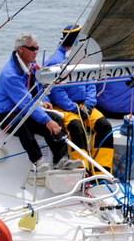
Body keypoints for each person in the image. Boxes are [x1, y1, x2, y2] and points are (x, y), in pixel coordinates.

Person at [0, 33, 73, 168]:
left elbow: (38, 87)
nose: (36, 52)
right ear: (20, 49)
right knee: (23, 125)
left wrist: (43, 102)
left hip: (25, 110)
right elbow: (26, 104)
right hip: (7, 114)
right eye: (32, 49)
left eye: (37, 48)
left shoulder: (30, 65)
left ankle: (61, 159)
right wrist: (47, 121)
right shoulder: (11, 74)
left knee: (56, 119)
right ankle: (38, 161)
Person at [45, 25, 114, 173]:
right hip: (63, 107)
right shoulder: (56, 62)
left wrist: (88, 105)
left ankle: (101, 171)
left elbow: (91, 83)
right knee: (76, 127)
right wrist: (73, 108)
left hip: (84, 105)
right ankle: (82, 170)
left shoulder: (83, 58)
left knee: (105, 126)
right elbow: (57, 92)